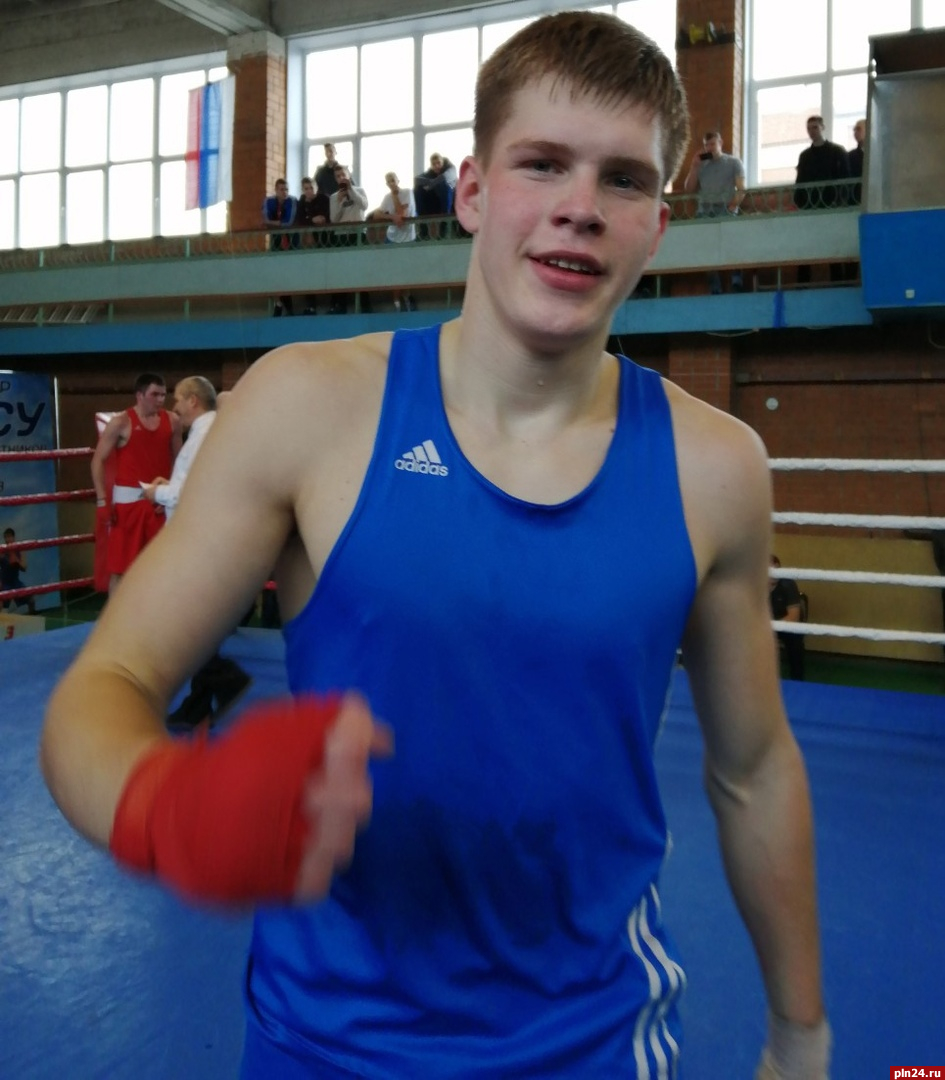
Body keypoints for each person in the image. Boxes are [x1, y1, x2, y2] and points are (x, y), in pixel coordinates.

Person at [41, 13, 829, 1079]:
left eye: (624, 180)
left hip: (592, 1044)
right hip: (322, 1042)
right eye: (541, 163)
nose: (580, 206)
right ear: (470, 192)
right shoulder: (309, 407)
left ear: (657, 224)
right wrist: (166, 807)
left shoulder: (714, 468)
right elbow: (110, 681)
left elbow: (754, 767)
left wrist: (800, 1032)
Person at [140, 376, 251, 729]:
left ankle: (226, 679)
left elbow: (192, 493)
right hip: (204, 537)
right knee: (197, 622)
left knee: (186, 624)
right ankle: (200, 702)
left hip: (197, 539)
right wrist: (168, 485)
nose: (174, 407)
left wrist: (157, 494)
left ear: (192, 401)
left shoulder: (204, 435)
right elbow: (195, 483)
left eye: (177, 399)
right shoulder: (210, 432)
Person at [90, 372, 181, 595]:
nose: (160, 399)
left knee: (161, 569)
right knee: (120, 570)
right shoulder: (121, 422)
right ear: (140, 395)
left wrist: (171, 494)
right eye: (155, 394)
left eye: (163, 395)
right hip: (127, 508)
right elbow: (97, 461)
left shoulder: (172, 421)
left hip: (159, 504)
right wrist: (102, 501)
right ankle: (116, 617)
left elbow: (181, 462)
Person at [683, 128, 746, 293]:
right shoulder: (701, 165)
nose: (710, 148)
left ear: (720, 143)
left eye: (712, 144)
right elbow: (688, 189)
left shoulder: (733, 162)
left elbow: (741, 188)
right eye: (707, 145)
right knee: (707, 249)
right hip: (705, 210)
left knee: (733, 244)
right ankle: (714, 287)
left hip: (726, 208)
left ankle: (736, 280)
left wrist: (732, 206)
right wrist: (694, 167)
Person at [794, 116, 850, 285]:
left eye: (815, 127)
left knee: (833, 245)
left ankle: (838, 282)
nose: (811, 131)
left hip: (832, 207)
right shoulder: (805, 156)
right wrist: (801, 204)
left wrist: (840, 202)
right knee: (805, 246)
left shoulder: (837, 152)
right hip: (810, 209)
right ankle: (803, 284)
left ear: (823, 127)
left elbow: (845, 180)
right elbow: (800, 182)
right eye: (809, 128)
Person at [368, 171, 417, 310]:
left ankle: (407, 298)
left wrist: (395, 196)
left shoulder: (407, 192)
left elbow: (402, 215)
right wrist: (391, 217)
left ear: (398, 180)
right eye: (389, 181)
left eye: (393, 180)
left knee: (406, 271)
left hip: (407, 238)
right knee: (394, 272)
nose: (391, 183)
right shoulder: (386, 197)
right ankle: (396, 303)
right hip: (392, 238)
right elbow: (377, 214)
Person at [328, 164, 369, 314]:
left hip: (357, 234)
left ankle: (365, 305)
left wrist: (351, 190)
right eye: (338, 176)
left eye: (343, 175)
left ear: (349, 175)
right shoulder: (334, 197)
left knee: (361, 270)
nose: (341, 178)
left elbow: (364, 205)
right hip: (341, 236)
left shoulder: (359, 190)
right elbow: (334, 219)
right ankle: (341, 305)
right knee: (341, 271)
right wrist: (339, 202)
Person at [262, 178, 298, 315]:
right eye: (282, 190)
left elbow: (288, 222)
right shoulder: (268, 201)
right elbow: (265, 220)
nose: (285, 192)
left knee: (287, 274)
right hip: (276, 242)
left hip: (291, 242)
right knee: (276, 274)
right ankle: (281, 304)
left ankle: (285, 307)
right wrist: (277, 223)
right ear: (276, 190)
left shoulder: (292, 201)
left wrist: (273, 223)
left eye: (286, 189)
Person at [296, 176, 331, 314]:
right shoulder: (301, 202)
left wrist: (316, 219)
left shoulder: (324, 199)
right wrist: (311, 219)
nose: (309, 191)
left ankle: (334, 304)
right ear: (302, 190)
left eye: (311, 188)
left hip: (325, 241)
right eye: (306, 189)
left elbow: (326, 217)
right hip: (308, 244)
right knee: (309, 273)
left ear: (316, 187)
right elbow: (300, 220)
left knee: (329, 272)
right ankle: (311, 305)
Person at [769, 554, 806, 681]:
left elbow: (793, 616)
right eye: (770, 570)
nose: (774, 573)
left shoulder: (788, 584)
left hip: (786, 626)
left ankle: (797, 680)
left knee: (795, 640)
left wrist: (772, 627)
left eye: (777, 569)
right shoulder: (755, 586)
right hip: (764, 626)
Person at [413, 151, 458, 237]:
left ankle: (444, 225)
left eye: (438, 163)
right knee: (418, 189)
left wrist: (431, 184)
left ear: (443, 162)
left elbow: (445, 177)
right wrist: (433, 182)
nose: (436, 166)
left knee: (444, 184)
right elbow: (417, 180)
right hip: (435, 203)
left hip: (451, 204)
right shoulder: (430, 172)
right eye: (434, 164)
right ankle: (423, 227)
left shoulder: (451, 168)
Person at [0, 526, 34, 614]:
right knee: (1, 605)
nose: (8, 539)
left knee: (31, 599)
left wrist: (17, 561)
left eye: (9, 537)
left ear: (13, 537)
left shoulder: (20, 550)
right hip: (5, 584)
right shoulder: (2, 551)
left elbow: (24, 568)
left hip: (16, 583)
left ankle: (33, 618)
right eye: (6, 537)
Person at [848, 118, 866, 206]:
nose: (855, 132)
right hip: (856, 200)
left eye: (858, 129)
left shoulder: (879, 153)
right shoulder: (850, 156)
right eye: (854, 130)